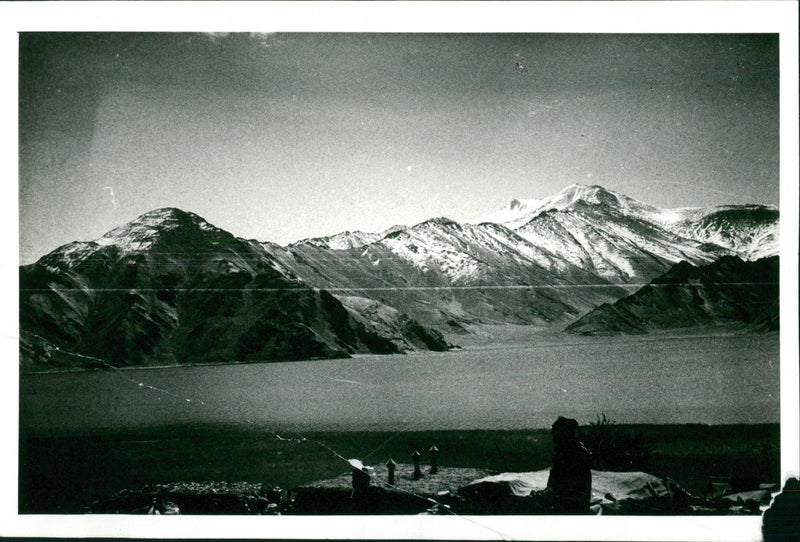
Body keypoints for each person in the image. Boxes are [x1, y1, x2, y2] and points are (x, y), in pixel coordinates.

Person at [546, 416, 592, 513]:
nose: (553, 436)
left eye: (555, 433)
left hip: (571, 507)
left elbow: (568, 487)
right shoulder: (566, 452)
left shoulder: (574, 455)